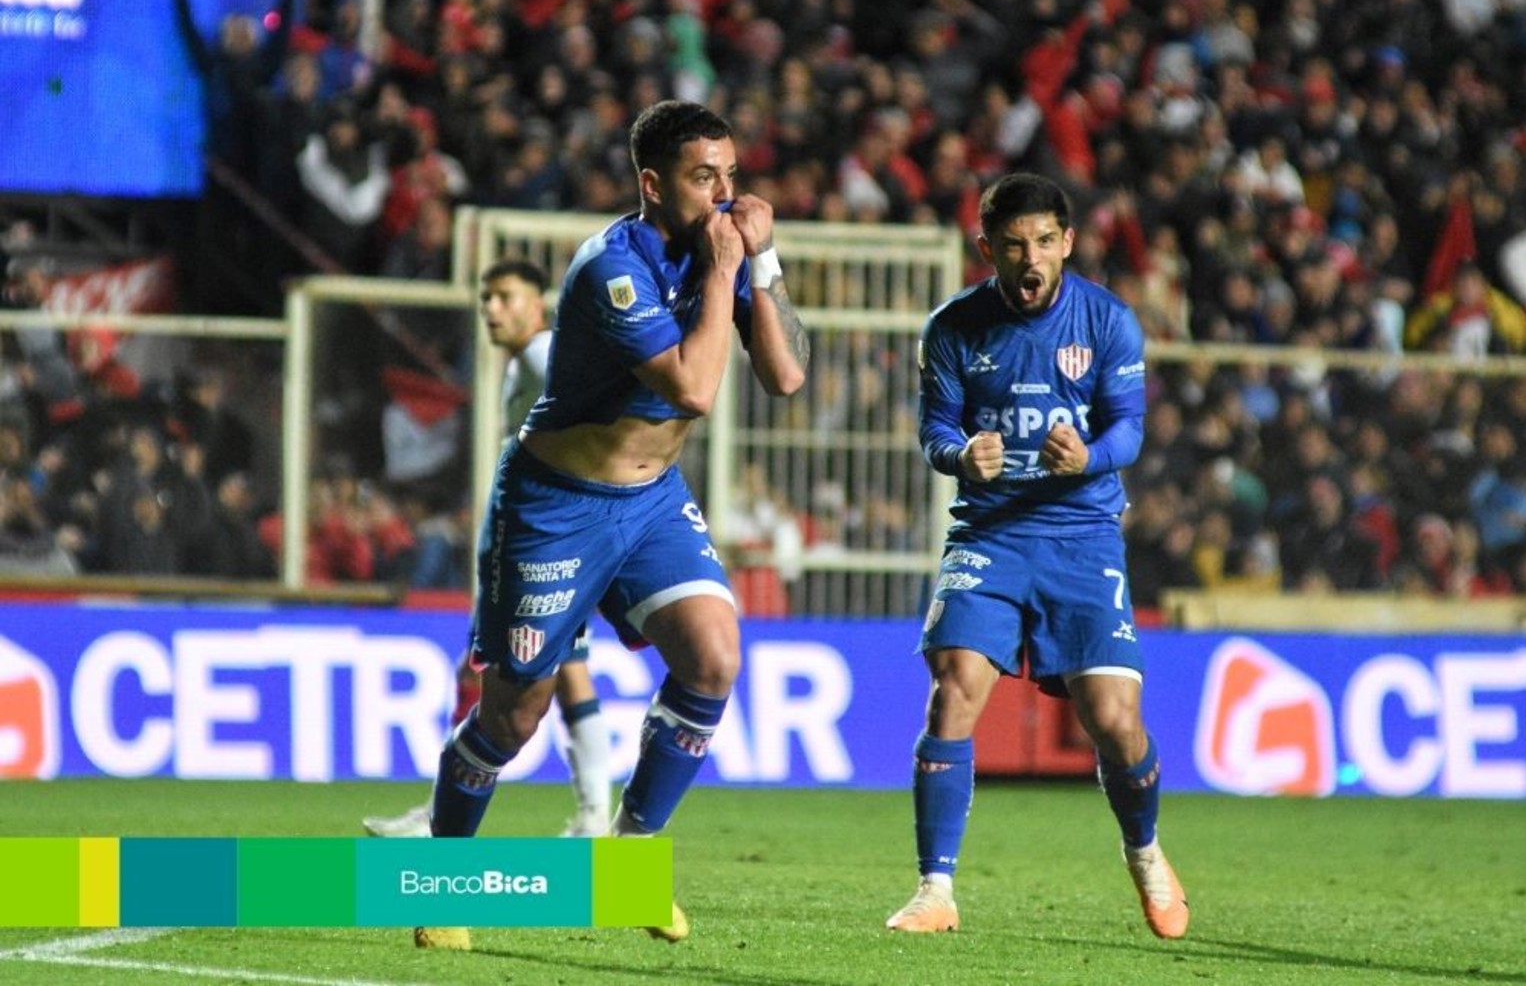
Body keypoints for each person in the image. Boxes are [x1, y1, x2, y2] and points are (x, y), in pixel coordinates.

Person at [415, 100, 809, 951]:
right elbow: (694, 389)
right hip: (557, 505)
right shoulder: (611, 267)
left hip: (652, 499)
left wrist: (764, 261)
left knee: (713, 652)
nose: (724, 194)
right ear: (651, 183)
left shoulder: (726, 248)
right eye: (705, 178)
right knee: (511, 719)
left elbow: (783, 375)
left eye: (731, 175)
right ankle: (440, 882)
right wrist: (723, 268)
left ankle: (626, 864)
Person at [886, 174, 1188, 940]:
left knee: (1115, 722)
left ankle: (1144, 849)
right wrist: (962, 454)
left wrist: (1086, 455)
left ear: (1067, 243)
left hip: (1081, 535)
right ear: (986, 248)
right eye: (1013, 244)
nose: (1030, 258)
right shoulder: (952, 327)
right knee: (953, 688)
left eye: (1044, 242)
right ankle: (934, 888)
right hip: (988, 533)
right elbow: (934, 431)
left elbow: (1128, 431)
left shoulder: (1108, 321)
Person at [363, 259, 616, 840]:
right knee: (552, 674)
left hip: (551, 542)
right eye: (486, 299)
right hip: (542, 539)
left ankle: (444, 819)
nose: (492, 309)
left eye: (504, 297)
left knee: (502, 675)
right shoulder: (518, 366)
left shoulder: (542, 354)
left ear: (537, 303)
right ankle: (592, 816)